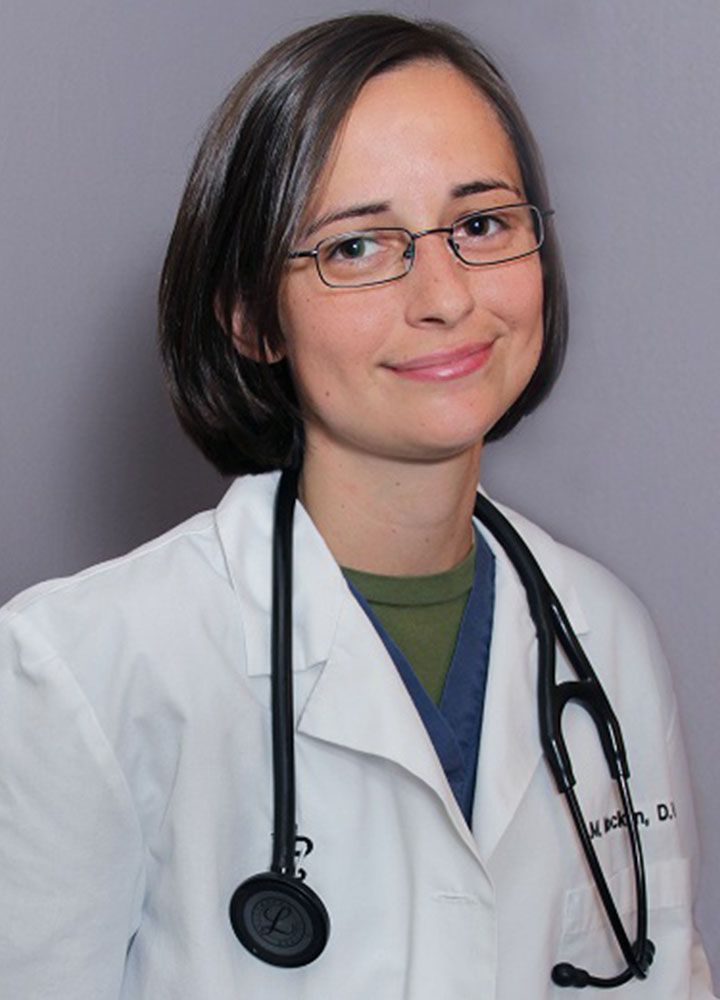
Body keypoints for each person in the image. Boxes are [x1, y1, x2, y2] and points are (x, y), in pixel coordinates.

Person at [0, 12, 715, 999]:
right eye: (358, 245)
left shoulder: (606, 636)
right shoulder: (80, 667)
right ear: (252, 317)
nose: (445, 295)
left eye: (481, 224)